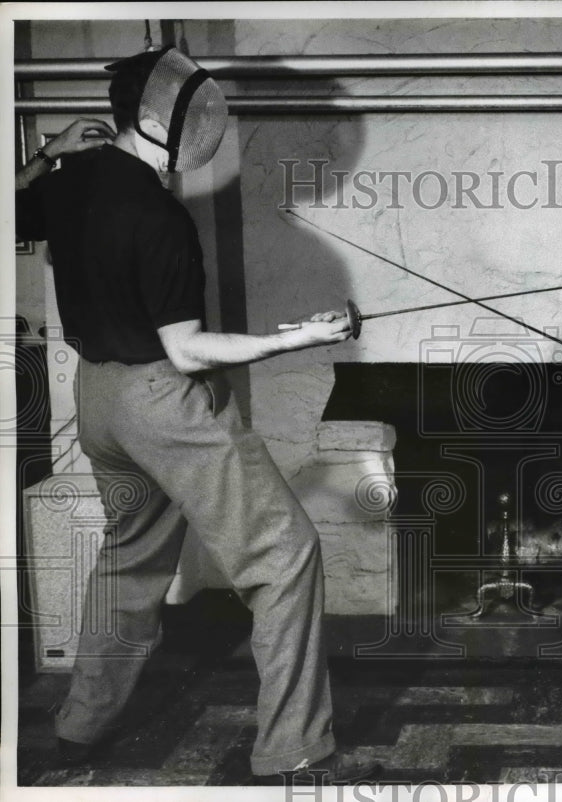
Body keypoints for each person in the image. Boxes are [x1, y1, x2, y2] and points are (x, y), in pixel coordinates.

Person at [15, 47, 377, 785]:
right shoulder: (158, 213)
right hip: (162, 404)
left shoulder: (71, 179)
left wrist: (46, 153)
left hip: (99, 401)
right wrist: (305, 336)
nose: (207, 124)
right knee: (284, 557)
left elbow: (12, 207)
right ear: (154, 119)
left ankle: (78, 729)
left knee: (128, 557)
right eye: (195, 110)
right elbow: (187, 352)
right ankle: (292, 748)